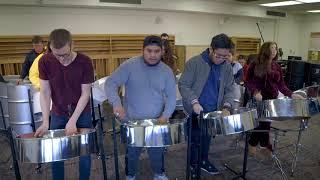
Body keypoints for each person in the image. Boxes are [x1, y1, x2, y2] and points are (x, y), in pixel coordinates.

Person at [105, 35, 176, 180]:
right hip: (132, 120)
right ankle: (130, 175)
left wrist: (166, 114)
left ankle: (159, 173)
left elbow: (171, 96)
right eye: (149, 51)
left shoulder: (166, 71)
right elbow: (110, 83)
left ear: (162, 51)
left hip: (156, 120)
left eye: (157, 51)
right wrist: (116, 103)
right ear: (142, 50)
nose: (153, 55)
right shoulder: (129, 65)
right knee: (132, 152)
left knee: (157, 151)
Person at [34, 29, 94, 180]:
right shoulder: (45, 61)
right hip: (58, 113)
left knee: (84, 153)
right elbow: (45, 92)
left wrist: (73, 120)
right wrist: (45, 122)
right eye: (57, 55)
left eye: (65, 54)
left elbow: (85, 93)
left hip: (82, 112)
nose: (62, 59)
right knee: (56, 154)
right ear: (51, 49)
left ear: (72, 45)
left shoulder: (85, 61)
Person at [178, 33, 235, 177]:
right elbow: (184, 85)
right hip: (195, 109)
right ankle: (192, 164)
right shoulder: (194, 62)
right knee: (195, 139)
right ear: (211, 49)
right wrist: (194, 102)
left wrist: (227, 106)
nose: (221, 59)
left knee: (207, 137)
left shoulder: (226, 66)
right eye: (218, 55)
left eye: (225, 56)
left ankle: (203, 160)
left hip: (213, 111)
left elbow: (229, 89)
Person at [245, 42, 304, 158]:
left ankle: (260, 144)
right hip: (259, 98)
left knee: (266, 123)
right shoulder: (255, 64)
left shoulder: (276, 66)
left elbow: (281, 85)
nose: (274, 50)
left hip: (271, 98)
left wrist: (291, 94)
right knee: (261, 123)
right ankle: (258, 144)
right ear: (265, 49)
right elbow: (248, 81)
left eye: (275, 48)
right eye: (271, 48)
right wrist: (255, 92)